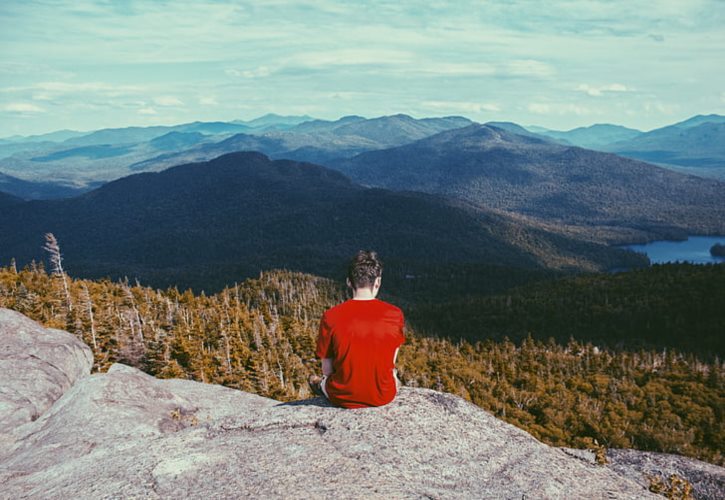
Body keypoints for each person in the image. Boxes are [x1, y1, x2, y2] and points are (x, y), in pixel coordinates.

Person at [309, 250, 405, 408]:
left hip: (341, 396)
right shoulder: (395, 314)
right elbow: (391, 362)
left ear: (349, 282)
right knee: (392, 375)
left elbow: (327, 370)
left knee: (322, 380)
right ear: (378, 282)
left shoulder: (330, 316)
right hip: (382, 395)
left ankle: (318, 385)